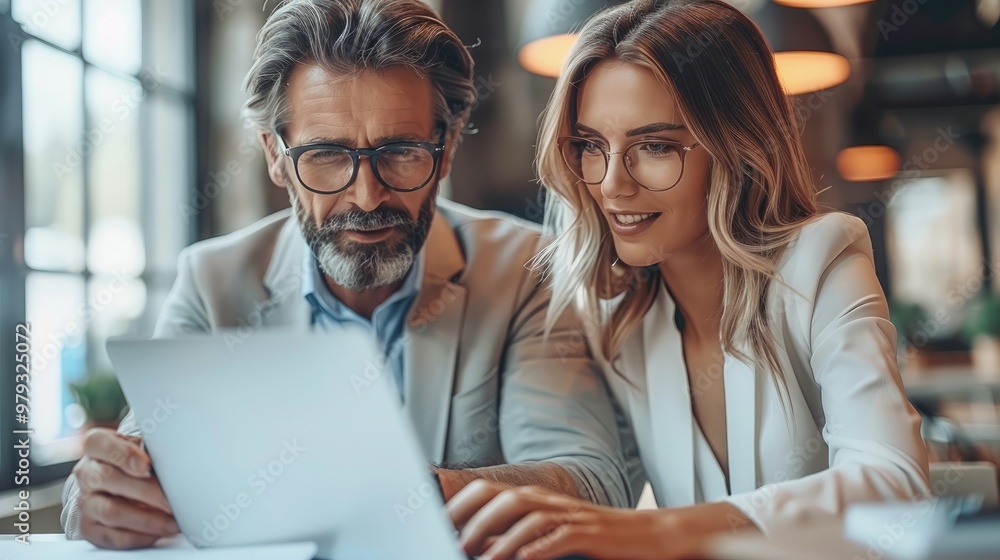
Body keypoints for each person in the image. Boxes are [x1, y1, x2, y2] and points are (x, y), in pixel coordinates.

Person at [60, 0, 630, 549]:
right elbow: (135, 458)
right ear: (276, 157)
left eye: (402, 151)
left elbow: (591, 481)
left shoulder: (529, 269)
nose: (366, 195)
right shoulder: (211, 283)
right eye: (327, 154)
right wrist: (94, 497)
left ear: (449, 147)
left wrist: (396, 493)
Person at [447, 1, 931, 558]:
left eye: (654, 147)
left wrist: (653, 531)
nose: (611, 185)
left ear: (737, 147)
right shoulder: (612, 317)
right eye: (590, 146)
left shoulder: (822, 260)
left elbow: (895, 484)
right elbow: (594, 475)